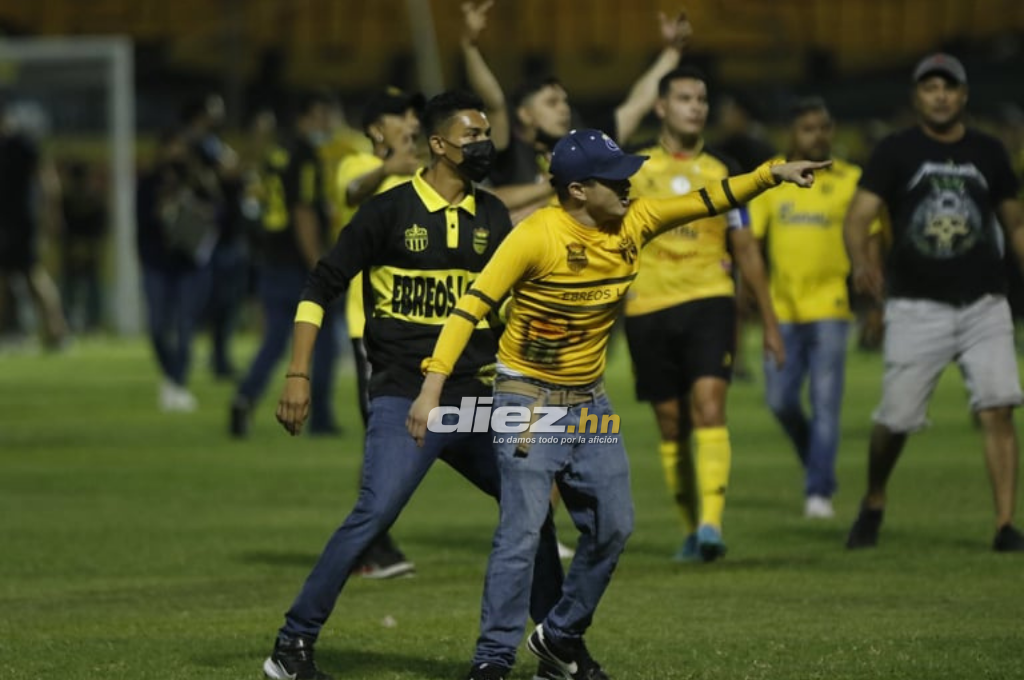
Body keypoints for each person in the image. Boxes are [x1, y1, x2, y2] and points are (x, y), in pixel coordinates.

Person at [407, 129, 827, 679]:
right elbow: (469, 309)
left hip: (590, 400)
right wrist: (433, 385)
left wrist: (771, 173)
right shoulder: (535, 237)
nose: (629, 183)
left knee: (615, 526)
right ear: (579, 190)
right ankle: (492, 658)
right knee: (523, 530)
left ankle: (559, 637)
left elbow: (708, 199)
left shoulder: (636, 219)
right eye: (616, 177)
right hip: (527, 396)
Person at [264, 90, 564, 680]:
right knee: (375, 514)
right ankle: (290, 646)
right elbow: (319, 285)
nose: (483, 144)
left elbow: (504, 308)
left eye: (485, 134)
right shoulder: (388, 212)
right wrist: (298, 373)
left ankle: (558, 646)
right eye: (471, 135)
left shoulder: (492, 216)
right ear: (438, 144)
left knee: (533, 508)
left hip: (478, 396)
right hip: (407, 394)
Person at [844, 53, 1024, 552]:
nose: (940, 95)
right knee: (896, 420)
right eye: (930, 87)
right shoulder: (896, 150)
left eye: (949, 86)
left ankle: (1005, 525)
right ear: (916, 96)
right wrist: (861, 260)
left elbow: (1015, 223)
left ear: (964, 95)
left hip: (984, 302)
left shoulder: (989, 151)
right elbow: (859, 216)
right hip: (917, 305)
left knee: (999, 407)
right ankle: (875, 497)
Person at [625, 67, 784, 562]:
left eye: (702, 98)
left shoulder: (724, 170)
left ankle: (712, 526)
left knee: (710, 407)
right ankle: (691, 529)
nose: (697, 106)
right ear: (661, 107)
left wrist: (771, 322)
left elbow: (747, 250)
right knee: (671, 425)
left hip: (709, 300)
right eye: (685, 98)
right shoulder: (633, 170)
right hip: (647, 305)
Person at [749, 97, 873, 519]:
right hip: (783, 310)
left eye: (823, 127)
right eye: (808, 128)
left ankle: (818, 490)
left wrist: (876, 298)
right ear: (793, 134)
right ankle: (815, 462)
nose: (818, 135)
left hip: (832, 308)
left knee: (825, 403)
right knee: (780, 400)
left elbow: (871, 241)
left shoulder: (852, 179)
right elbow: (753, 244)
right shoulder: (773, 178)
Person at [459, 0, 691, 219]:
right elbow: (494, 101)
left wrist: (673, 51)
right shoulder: (509, 148)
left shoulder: (586, 144)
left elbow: (637, 105)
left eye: (565, 101)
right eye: (552, 102)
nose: (564, 109)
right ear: (524, 114)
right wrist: (469, 45)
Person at [330, 87, 424, 579]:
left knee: (413, 433)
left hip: (421, 323)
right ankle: (371, 544)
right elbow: (351, 192)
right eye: (400, 113)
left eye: (415, 113)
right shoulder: (356, 164)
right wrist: (388, 168)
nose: (411, 121)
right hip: (370, 324)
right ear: (375, 129)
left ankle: (372, 540)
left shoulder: (426, 174)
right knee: (384, 432)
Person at [231, 91, 340, 438]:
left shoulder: (276, 154)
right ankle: (320, 416)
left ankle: (245, 397)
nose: (327, 124)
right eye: (322, 116)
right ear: (306, 118)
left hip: (271, 259)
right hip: (297, 263)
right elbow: (303, 211)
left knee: (275, 339)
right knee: (323, 341)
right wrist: (318, 266)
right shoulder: (305, 155)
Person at [136, 128, 217, 412]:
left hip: (189, 263)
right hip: (158, 263)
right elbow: (143, 221)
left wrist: (194, 205)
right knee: (157, 327)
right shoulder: (149, 182)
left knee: (184, 328)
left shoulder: (198, 180)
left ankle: (177, 383)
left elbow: (218, 213)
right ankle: (171, 376)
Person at [0, 100, 68, 349]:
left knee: (33, 276)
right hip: (8, 222)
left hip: (20, 222)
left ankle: (57, 331)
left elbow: (48, 181)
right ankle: (12, 330)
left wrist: (52, 214)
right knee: (9, 278)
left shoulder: (23, 146)